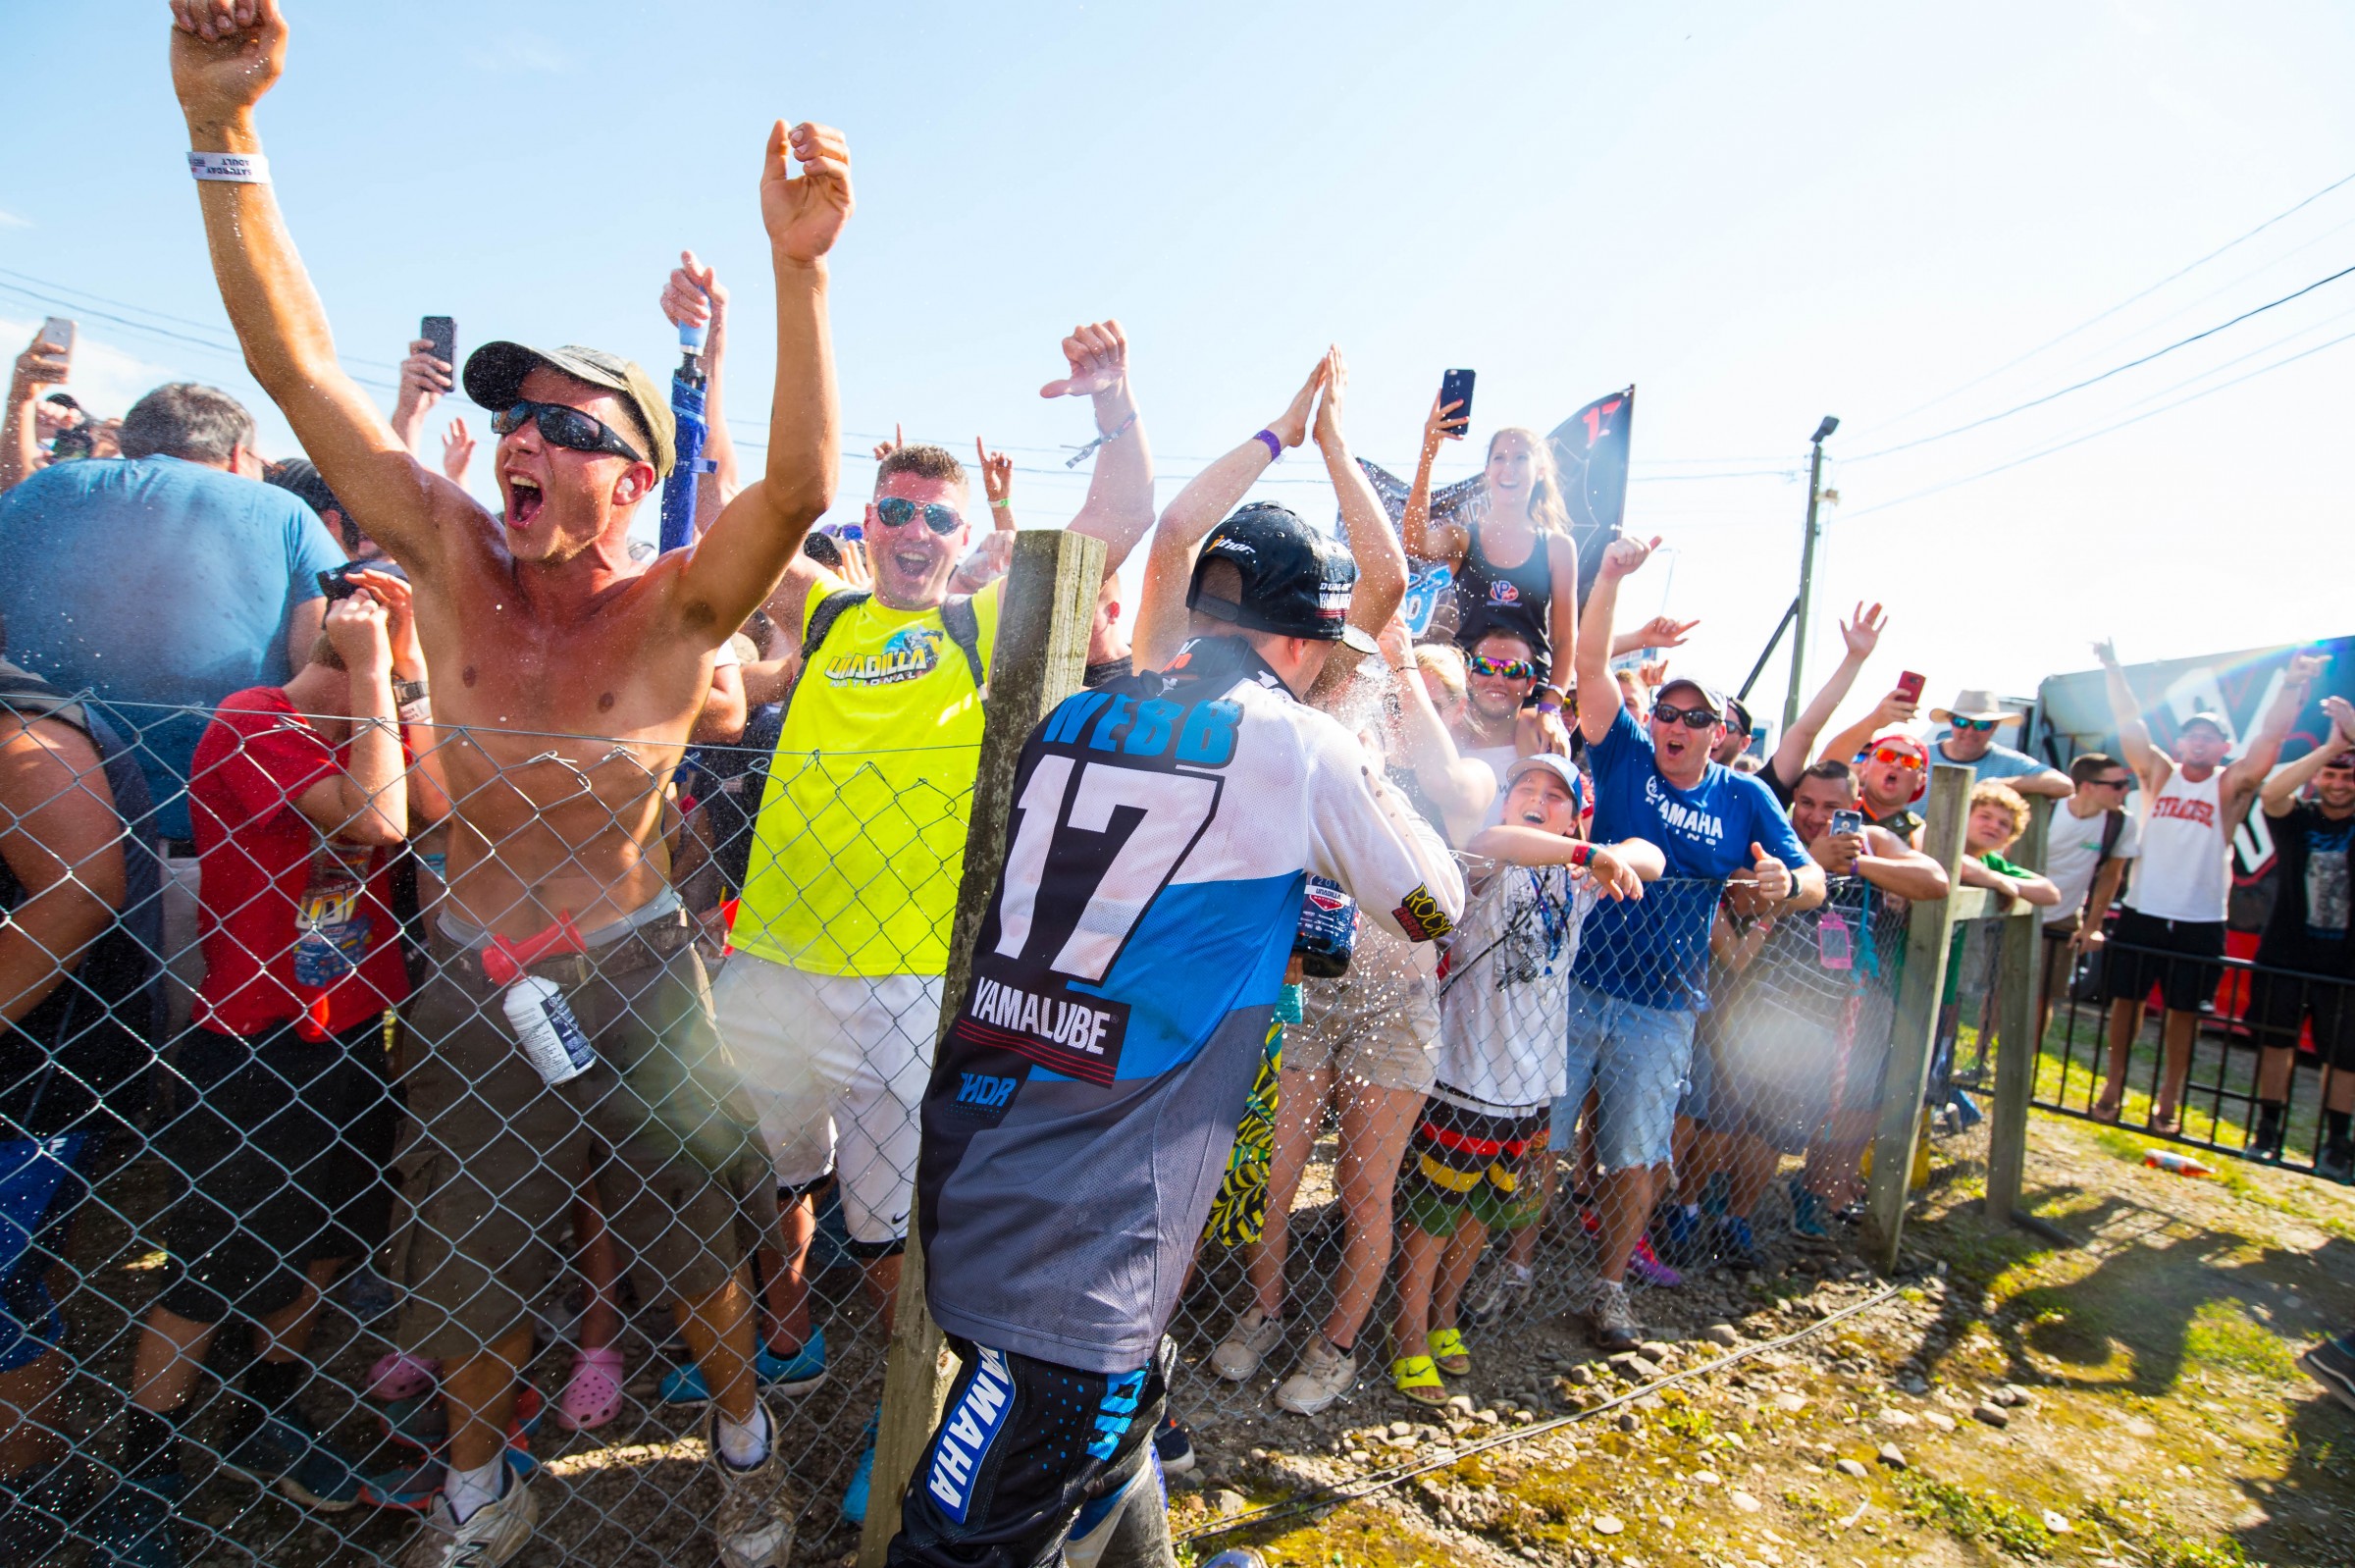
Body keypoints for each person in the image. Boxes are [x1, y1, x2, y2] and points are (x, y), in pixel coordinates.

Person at [162, 7, 854, 1559]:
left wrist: (800, 276)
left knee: (690, 1245)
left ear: (628, 467)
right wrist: (228, 134)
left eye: (557, 422)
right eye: (504, 418)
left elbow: (803, 486)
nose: (513, 441)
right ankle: (482, 1490)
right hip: (475, 977)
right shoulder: (452, 554)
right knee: (471, 1263)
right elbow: (293, 367)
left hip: (639, 968)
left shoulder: (680, 604)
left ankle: (744, 1440)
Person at [888, 484, 1464, 1568]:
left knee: (1113, 1433)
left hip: (984, 1143)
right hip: (1080, 1221)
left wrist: (1268, 915)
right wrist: (1374, 777)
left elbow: (1121, 898)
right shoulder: (1297, 742)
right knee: (959, 1541)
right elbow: (1435, 907)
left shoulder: (1073, 716)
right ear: (1312, 643)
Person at [715, 321, 1153, 1523]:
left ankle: (913, 1415)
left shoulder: (979, 629)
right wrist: (705, 359)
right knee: (769, 1173)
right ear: (866, 521)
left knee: (896, 1237)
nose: (911, 533)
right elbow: (733, 522)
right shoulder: (829, 616)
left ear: (966, 544)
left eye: (936, 521)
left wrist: (1114, 403)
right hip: (771, 962)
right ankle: (790, 1338)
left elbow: (1117, 522)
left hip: (900, 984)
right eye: (893, 512)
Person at [110, 580, 441, 1562]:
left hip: (350, 1036)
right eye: (377, 637)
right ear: (342, 642)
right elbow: (378, 819)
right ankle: (147, 1467)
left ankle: (264, 1420)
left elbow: (432, 800)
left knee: (328, 1242)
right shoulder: (254, 719)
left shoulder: (369, 722)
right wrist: (377, 669)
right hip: (253, 1044)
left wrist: (405, 674)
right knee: (211, 1272)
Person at [0, 376, 345, 1037]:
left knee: (57, 1051)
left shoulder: (36, 493)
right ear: (242, 455)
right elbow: (321, 672)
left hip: (35, 844)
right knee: (186, 1051)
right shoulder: (280, 511)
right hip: (207, 845)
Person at [1213, 618, 1492, 1417]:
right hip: (1313, 992)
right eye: (1398, 691)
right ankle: (1264, 1310)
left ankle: (1335, 1345)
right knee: (1277, 1171)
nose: (1406, 706)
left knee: (1366, 1186)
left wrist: (1406, 666)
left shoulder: (1452, 783)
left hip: (1396, 1008)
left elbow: (1435, 871)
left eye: (1429, 698)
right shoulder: (1329, 752)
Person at [1565, 535, 1823, 1350]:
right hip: (1579, 980)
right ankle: (1520, 1264)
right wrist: (1607, 577)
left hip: (1664, 1002)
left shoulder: (1744, 798)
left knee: (1634, 1155)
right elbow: (1593, 667)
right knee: (1544, 1138)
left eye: (1694, 718)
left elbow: (1810, 876)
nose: (1674, 725)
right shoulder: (1627, 755)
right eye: (1667, 712)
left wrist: (1788, 886)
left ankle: (1608, 1290)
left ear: (1720, 733)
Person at [1388, 756, 1658, 1404]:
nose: (1536, 798)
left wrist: (1604, 857)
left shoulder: (1579, 878)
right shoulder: (1492, 864)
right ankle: (1408, 1336)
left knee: (1483, 1211)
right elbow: (1490, 840)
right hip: (1462, 1075)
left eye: (1556, 795)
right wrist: (1591, 851)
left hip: (1531, 1085)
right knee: (1432, 1213)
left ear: (1579, 814)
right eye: (1525, 789)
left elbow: (1650, 855)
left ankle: (1446, 1316)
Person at [0, 628, 159, 1561]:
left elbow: (76, 885)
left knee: (6, 1287)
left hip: (41, 1083)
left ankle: (36, 1497)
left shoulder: (25, 728)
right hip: (45, 1071)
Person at [2093, 641, 2315, 1132]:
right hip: (2143, 908)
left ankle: (2168, 1099)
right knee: (2125, 1002)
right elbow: (2131, 722)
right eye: (2192, 734)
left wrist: (2293, 683)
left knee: (2184, 1013)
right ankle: (2113, 1085)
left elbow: (2270, 741)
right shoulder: (2158, 775)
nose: (2198, 741)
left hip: (2200, 918)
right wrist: (2113, 667)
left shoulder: (2229, 786)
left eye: (2208, 736)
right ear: (2180, 744)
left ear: (2222, 747)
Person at [1397, 396, 1578, 691]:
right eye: (1500, 458)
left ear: (1540, 471)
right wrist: (1429, 452)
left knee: (1534, 738)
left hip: (1528, 691)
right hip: (1469, 687)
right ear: (1487, 470)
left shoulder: (1558, 547)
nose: (1510, 468)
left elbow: (1565, 639)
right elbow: (1415, 543)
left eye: (1521, 458)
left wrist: (1551, 705)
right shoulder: (1463, 539)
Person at [2250, 696, 2355, 1176]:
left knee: (2346, 1056)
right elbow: (2272, 793)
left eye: (2348, 775)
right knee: (2277, 1043)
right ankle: (2268, 1130)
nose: (2337, 783)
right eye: (2331, 775)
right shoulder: (2300, 820)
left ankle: (2337, 1144)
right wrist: (2330, 747)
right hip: (2286, 953)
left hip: (2346, 964)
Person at [2035, 753, 2139, 1046]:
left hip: (2063, 916)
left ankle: (2021, 1070)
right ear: (2087, 786)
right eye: (2117, 785)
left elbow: (2111, 876)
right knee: (2000, 991)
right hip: (2018, 909)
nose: (2125, 791)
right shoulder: (2048, 808)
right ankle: (1980, 1061)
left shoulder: (2120, 824)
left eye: (2126, 783)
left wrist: (2093, 925)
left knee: (2043, 997)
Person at [1926, 688, 2071, 799]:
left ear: (1995, 727)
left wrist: (1999, 785)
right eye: (1961, 722)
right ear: (1951, 722)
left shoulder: (2008, 762)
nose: (1970, 731)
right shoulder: (1922, 756)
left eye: (1981, 725)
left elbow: (2064, 785)